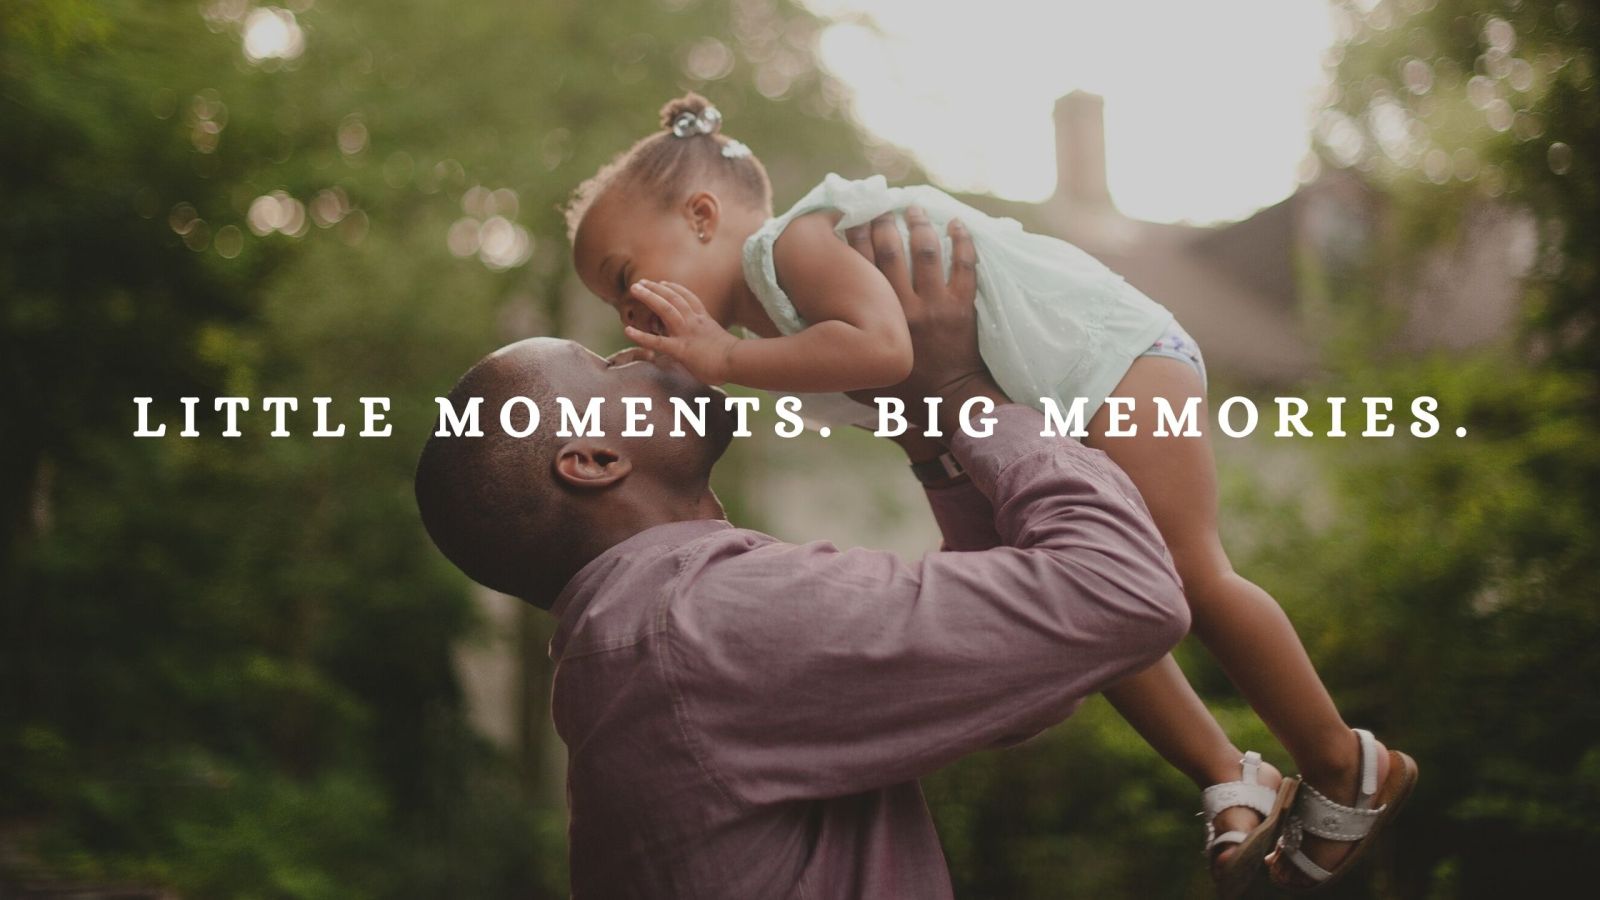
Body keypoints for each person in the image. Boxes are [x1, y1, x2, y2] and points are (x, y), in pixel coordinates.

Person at [562, 93, 1417, 893]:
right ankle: (1230, 772)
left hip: (1109, 361)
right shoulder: (770, 324)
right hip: (1026, 411)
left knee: (1188, 574)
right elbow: (914, 412)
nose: (626, 312)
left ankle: (1346, 761)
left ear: (703, 218)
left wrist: (723, 362)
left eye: (624, 275)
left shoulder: (788, 248)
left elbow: (886, 351)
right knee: (1090, 615)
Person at [415, 215, 1199, 898]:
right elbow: (1123, 593)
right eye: (606, 369)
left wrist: (934, 444)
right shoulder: (707, 621)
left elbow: (1022, 681)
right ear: (592, 460)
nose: (636, 355)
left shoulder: (640, 644)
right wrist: (963, 388)